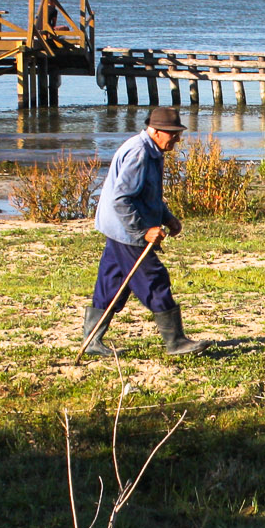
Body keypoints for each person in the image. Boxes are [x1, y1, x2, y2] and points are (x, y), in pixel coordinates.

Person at [83, 107, 210, 357]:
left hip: (120, 228)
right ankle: (176, 342)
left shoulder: (153, 150)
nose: (176, 139)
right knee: (154, 278)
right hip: (125, 230)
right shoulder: (140, 153)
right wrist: (143, 232)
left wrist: (167, 217)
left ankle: (91, 342)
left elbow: (147, 195)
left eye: (177, 133)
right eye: (172, 134)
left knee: (112, 283)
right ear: (154, 130)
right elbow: (121, 199)